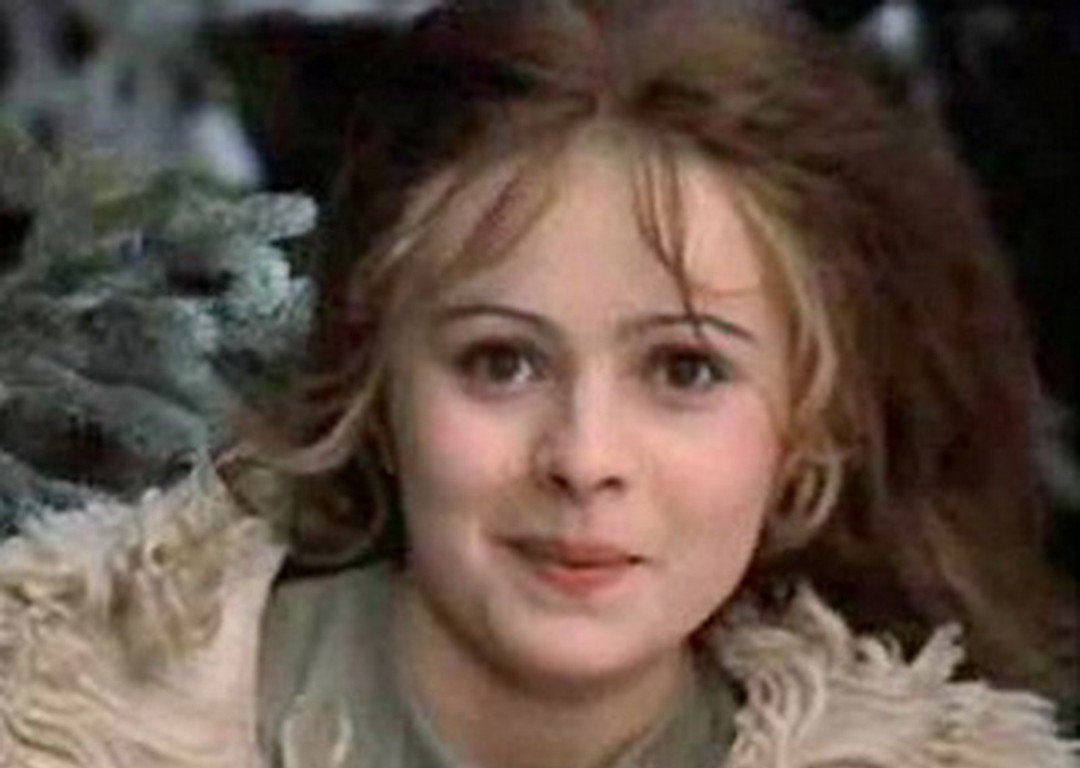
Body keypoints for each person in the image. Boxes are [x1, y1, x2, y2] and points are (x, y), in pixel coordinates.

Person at [0, 1, 1076, 766]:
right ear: (377, 384)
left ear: (810, 432)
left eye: (685, 369)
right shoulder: (50, 718)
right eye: (500, 362)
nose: (583, 458)